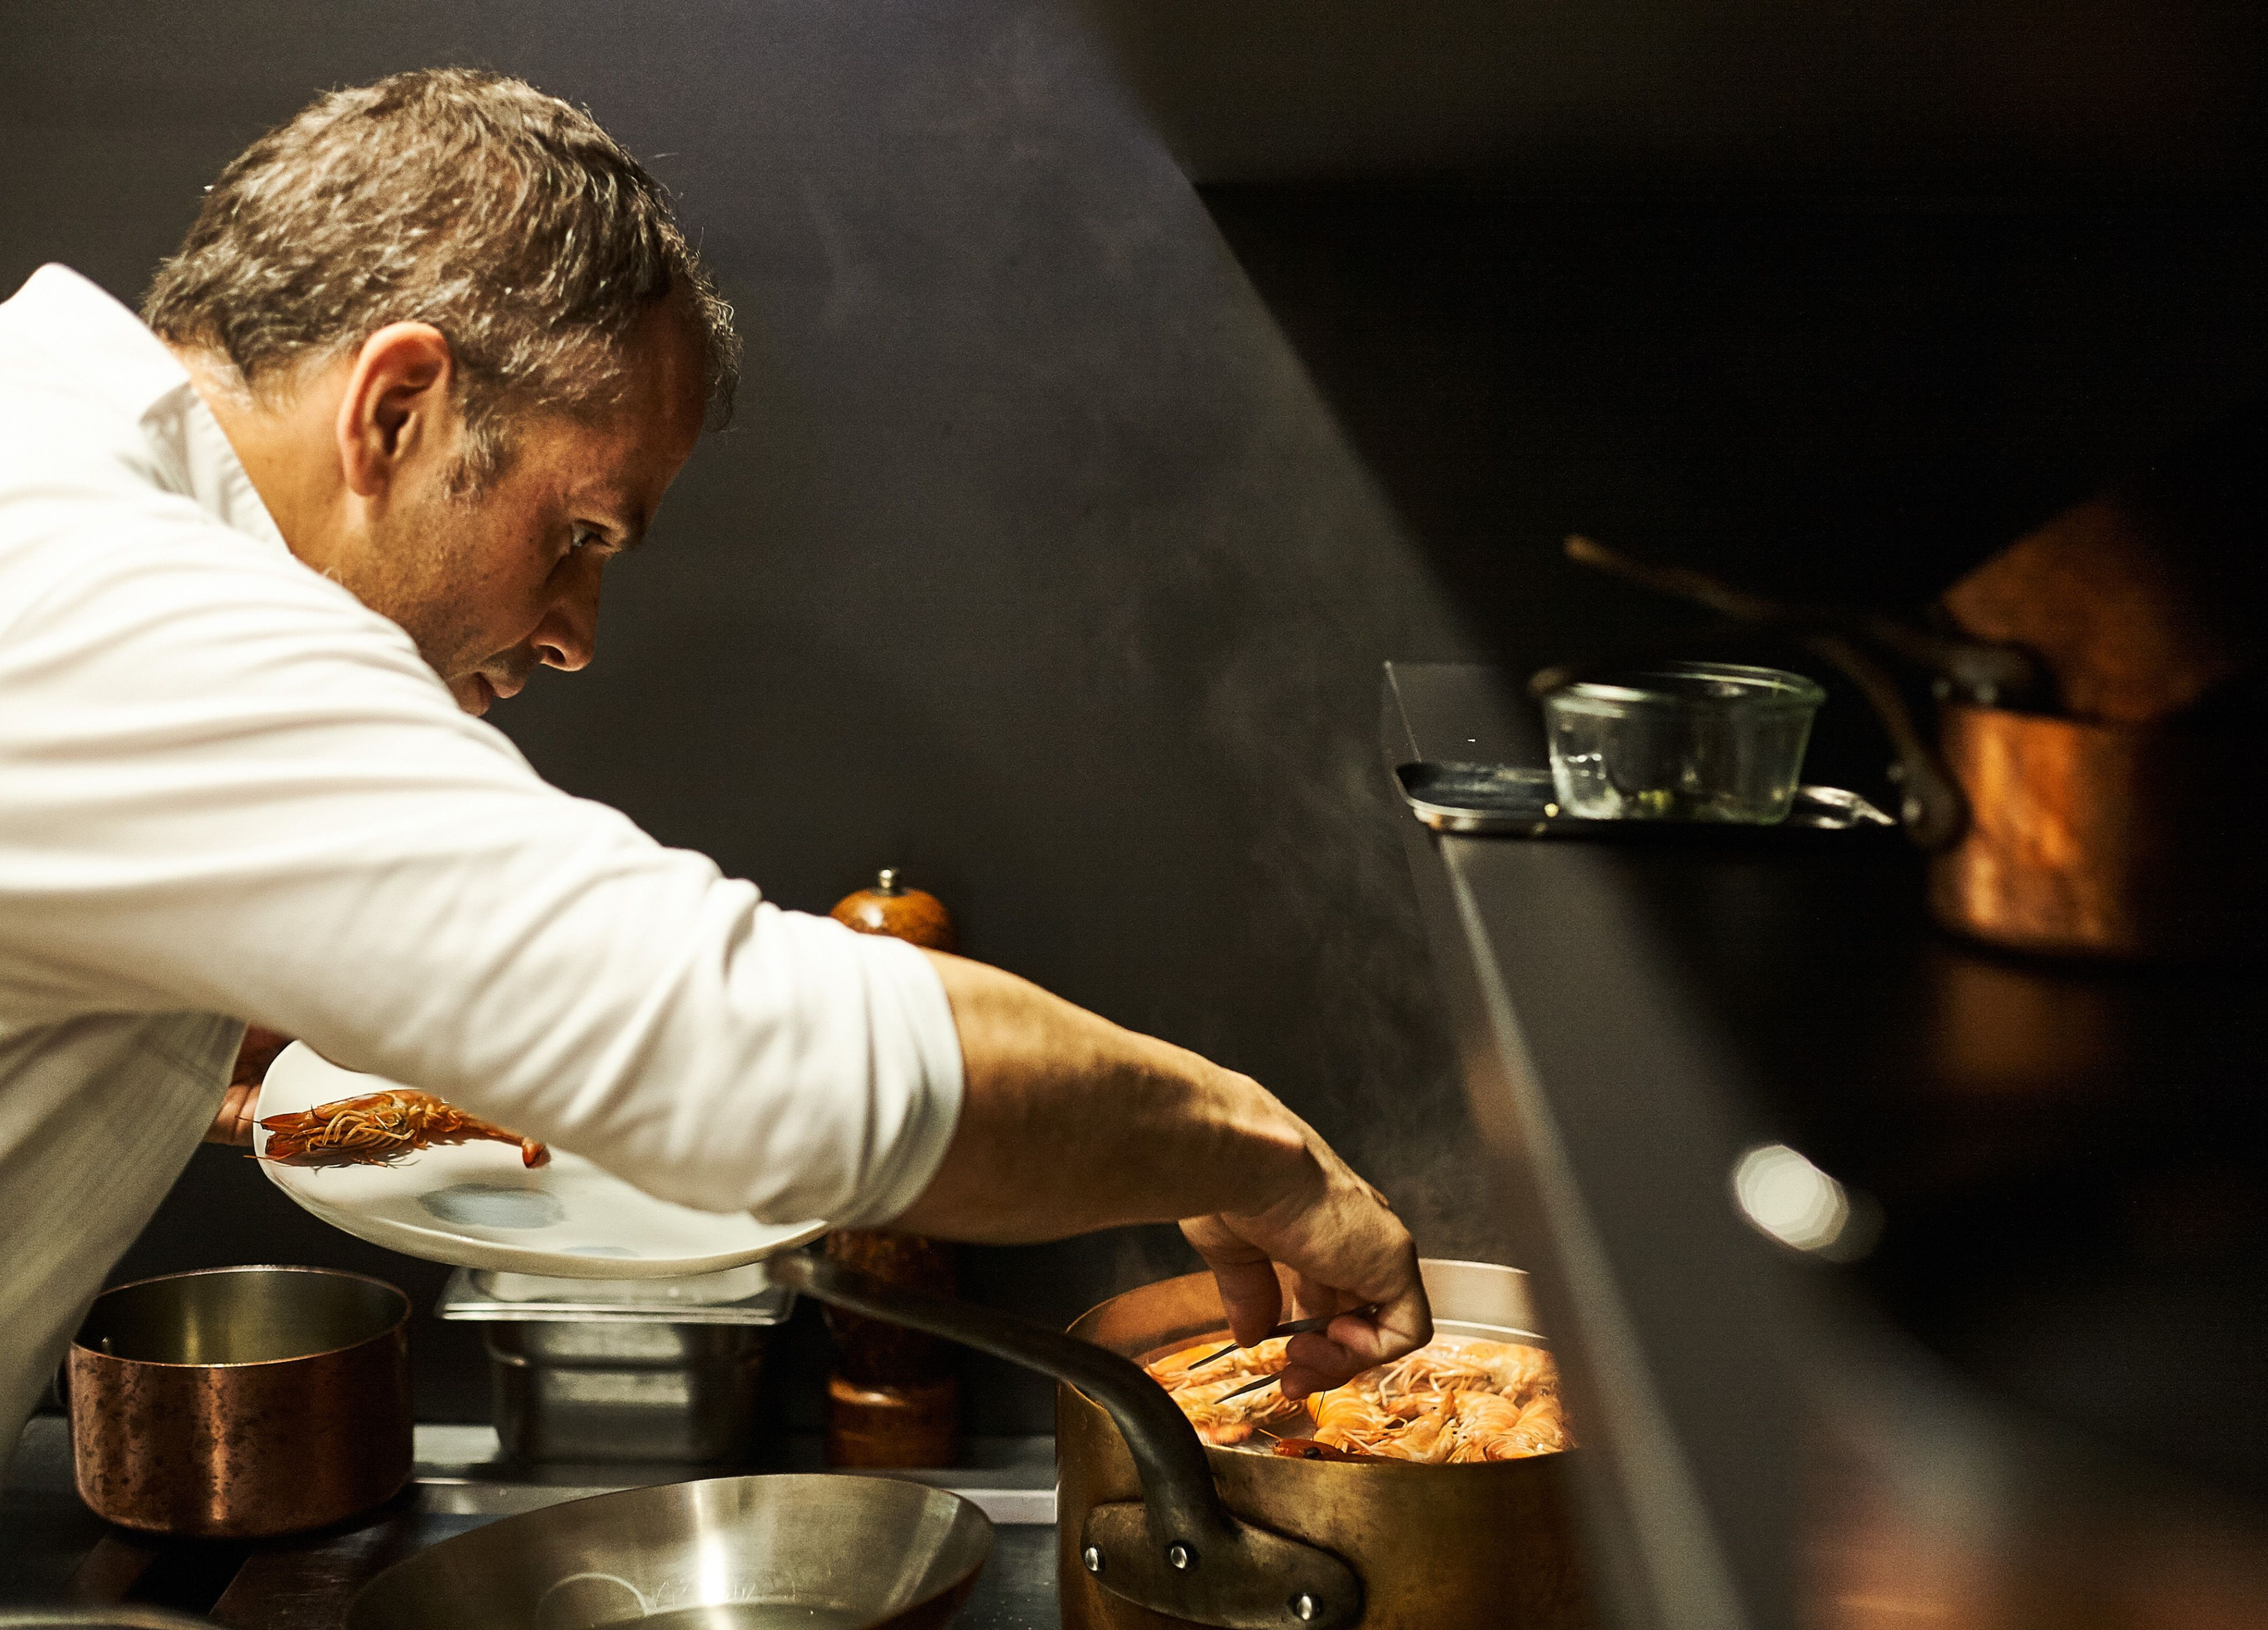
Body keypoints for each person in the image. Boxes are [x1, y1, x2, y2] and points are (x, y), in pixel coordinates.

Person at [0, 68, 1425, 1456]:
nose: (574, 636)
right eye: (582, 533)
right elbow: (762, 1052)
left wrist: (142, 1030)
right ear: (393, 411)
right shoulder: (127, 600)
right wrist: (1252, 1149)